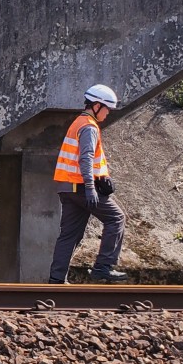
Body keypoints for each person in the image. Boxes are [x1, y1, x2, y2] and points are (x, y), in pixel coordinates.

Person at [48, 84, 128, 284]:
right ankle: (103, 267)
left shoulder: (78, 122)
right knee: (117, 218)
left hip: (68, 188)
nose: (108, 113)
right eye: (107, 108)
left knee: (69, 235)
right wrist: (91, 188)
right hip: (82, 188)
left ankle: (56, 280)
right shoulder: (89, 127)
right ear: (97, 106)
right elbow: (86, 158)